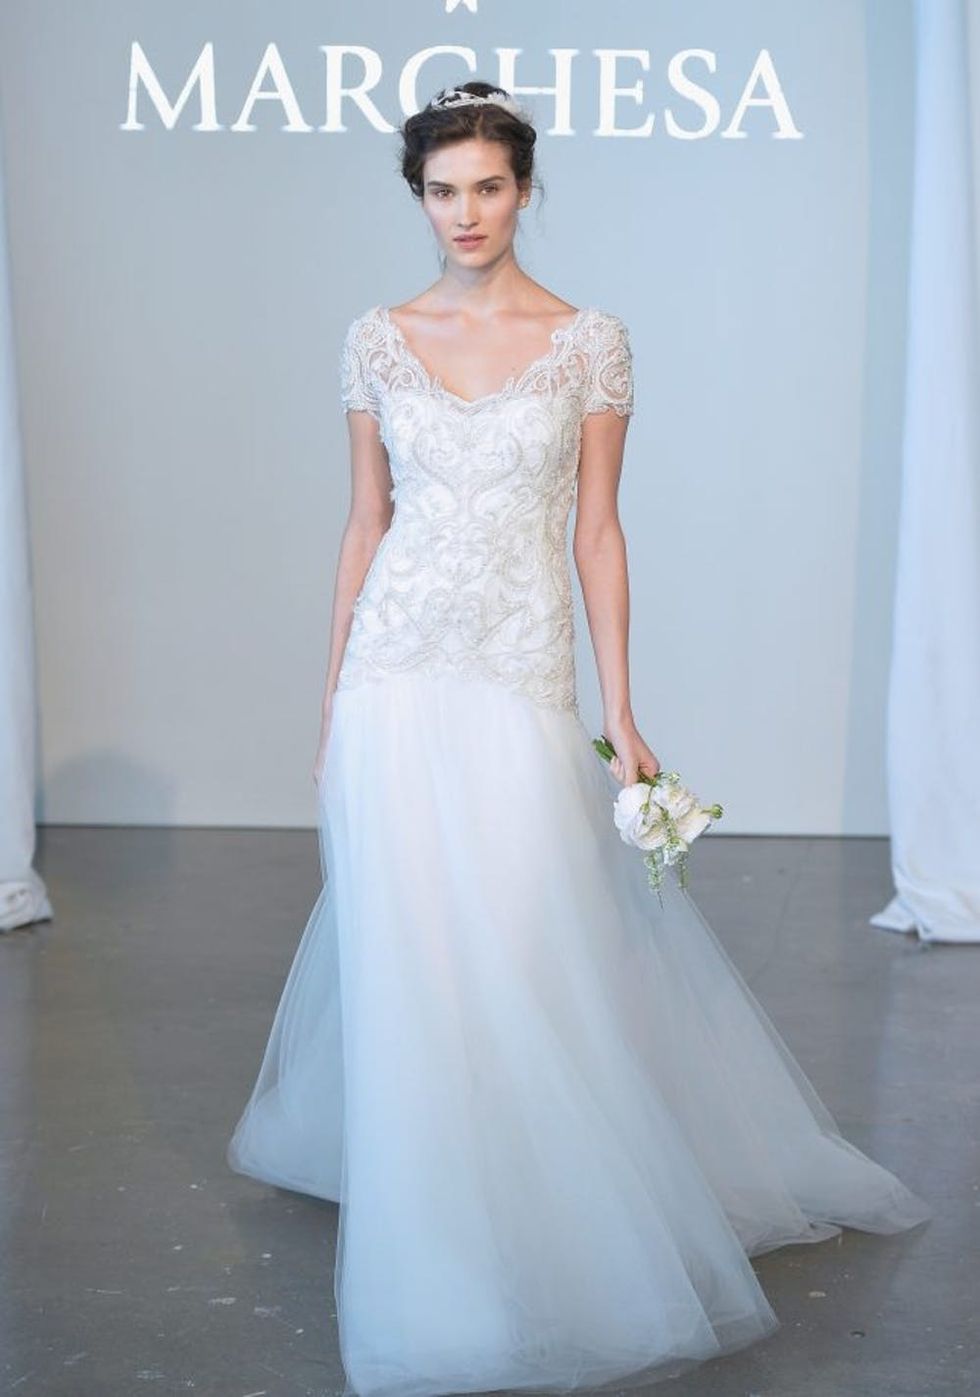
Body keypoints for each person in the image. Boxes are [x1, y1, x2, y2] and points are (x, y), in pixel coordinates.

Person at [227, 80, 931, 1397]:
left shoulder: (589, 341)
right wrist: (332, 693)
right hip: (395, 663)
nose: (467, 211)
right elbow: (363, 521)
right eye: (444, 189)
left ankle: (534, 1183)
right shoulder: (376, 338)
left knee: (518, 927)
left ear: (527, 189)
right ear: (419, 197)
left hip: (515, 659)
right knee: (413, 947)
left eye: (489, 185)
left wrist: (621, 707)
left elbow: (596, 531)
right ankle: (439, 1212)